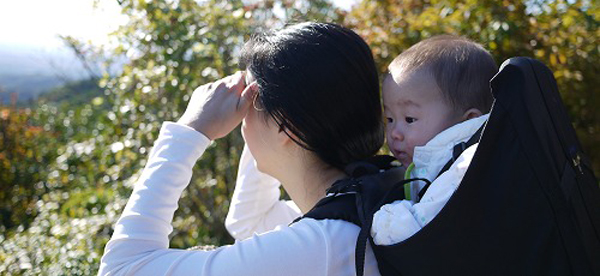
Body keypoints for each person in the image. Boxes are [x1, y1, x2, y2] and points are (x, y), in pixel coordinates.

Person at [98, 22, 384, 275]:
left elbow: (122, 268)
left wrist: (190, 130)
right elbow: (250, 224)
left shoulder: (319, 249)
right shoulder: (368, 197)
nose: (242, 115)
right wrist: (274, 120)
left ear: (286, 125)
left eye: (250, 100)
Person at [225, 35, 498, 246]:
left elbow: (417, 225)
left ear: (466, 120)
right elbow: (247, 225)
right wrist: (260, 124)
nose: (395, 133)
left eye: (410, 119)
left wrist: (369, 223)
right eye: (390, 119)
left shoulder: (467, 165)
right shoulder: (402, 174)